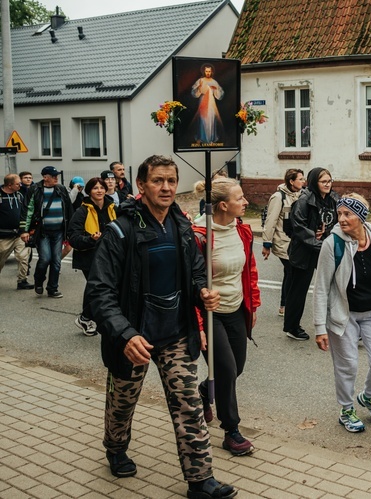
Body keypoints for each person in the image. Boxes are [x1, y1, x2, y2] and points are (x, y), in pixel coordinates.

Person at [84, 155, 237, 499]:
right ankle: (115, 447)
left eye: (171, 180)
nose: (166, 187)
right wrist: (124, 334)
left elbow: (196, 270)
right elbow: (99, 292)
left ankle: (200, 480)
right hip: (134, 336)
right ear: (141, 185)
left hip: (175, 333)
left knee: (188, 405)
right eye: (158, 181)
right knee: (122, 403)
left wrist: (202, 291)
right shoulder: (120, 230)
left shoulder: (181, 226)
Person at [313, 194, 371, 432]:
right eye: (340, 214)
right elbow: (321, 288)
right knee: (348, 366)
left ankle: (368, 396)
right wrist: (319, 328)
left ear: (361, 217)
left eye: (348, 214)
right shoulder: (332, 244)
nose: (341, 219)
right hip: (343, 317)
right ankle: (346, 409)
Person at [192, 177, 260, 456]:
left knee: (237, 367)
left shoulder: (242, 230)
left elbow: (250, 271)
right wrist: (198, 325)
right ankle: (231, 430)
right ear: (223, 205)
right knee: (227, 370)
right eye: (239, 198)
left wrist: (252, 305)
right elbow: (191, 283)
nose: (245, 202)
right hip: (211, 314)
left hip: (236, 308)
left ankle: (204, 392)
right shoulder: (198, 235)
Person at [284, 167, 338, 340]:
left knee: (336, 286)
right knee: (298, 290)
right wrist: (318, 243)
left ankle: (339, 323)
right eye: (323, 182)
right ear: (314, 182)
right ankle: (292, 327)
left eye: (329, 181)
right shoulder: (304, 201)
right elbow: (298, 228)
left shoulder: (333, 199)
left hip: (324, 247)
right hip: (305, 251)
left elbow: (337, 222)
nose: (327, 185)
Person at [67, 177, 117, 337]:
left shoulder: (112, 208)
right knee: (97, 290)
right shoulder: (81, 211)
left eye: (101, 187)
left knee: (104, 290)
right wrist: (91, 239)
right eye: (95, 188)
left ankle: (88, 317)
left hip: (110, 256)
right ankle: (87, 319)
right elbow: (73, 237)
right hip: (90, 257)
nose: (100, 190)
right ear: (89, 191)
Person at [20, 166, 73, 298]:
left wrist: (71, 231)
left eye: (57, 176)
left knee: (56, 261)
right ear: (45, 177)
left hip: (59, 232)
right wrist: (24, 230)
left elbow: (69, 210)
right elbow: (28, 210)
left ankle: (52, 288)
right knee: (44, 259)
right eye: (53, 176)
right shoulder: (35, 189)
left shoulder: (61, 189)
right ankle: (39, 281)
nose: (56, 178)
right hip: (43, 232)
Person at [261, 169, 305, 317]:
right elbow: (271, 220)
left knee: (290, 273)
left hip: (297, 242)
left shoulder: (302, 195)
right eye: (300, 179)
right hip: (283, 242)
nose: (303, 181)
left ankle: (286, 304)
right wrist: (267, 243)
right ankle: (285, 305)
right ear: (291, 181)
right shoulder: (279, 197)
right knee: (291, 271)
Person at [0, 174, 33, 290]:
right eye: (18, 183)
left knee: (23, 257)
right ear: (9, 185)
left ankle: (22, 280)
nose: (20, 185)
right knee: (1, 259)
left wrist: (26, 229)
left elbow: (26, 212)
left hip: (19, 234)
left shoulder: (20, 195)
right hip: (3, 236)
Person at [191, 63, 224, 144]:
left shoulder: (214, 82)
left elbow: (220, 93)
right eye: (206, 71)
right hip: (203, 101)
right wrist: (198, 88)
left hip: (211, 103)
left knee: (211, 119)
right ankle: (202, 138)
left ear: (211, 72)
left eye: (209, 71)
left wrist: (215, 89)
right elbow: (193, 92)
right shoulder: (200, 80)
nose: (208, 73)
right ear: (204, 71)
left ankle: (211, 139)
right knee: (203, 119)